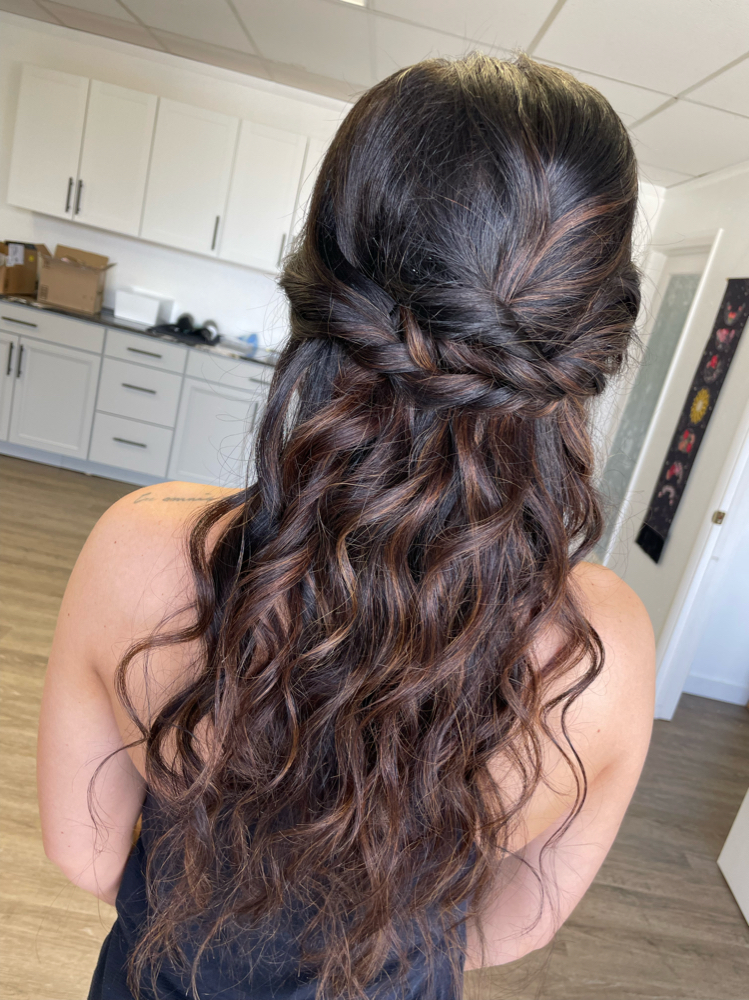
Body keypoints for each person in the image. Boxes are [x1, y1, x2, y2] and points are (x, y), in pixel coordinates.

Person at [37, 52, 655, 1000]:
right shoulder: (595, 653)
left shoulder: (146, 551)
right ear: (594, 338)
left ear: (319, 273)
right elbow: (506, 930)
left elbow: (86, 857)